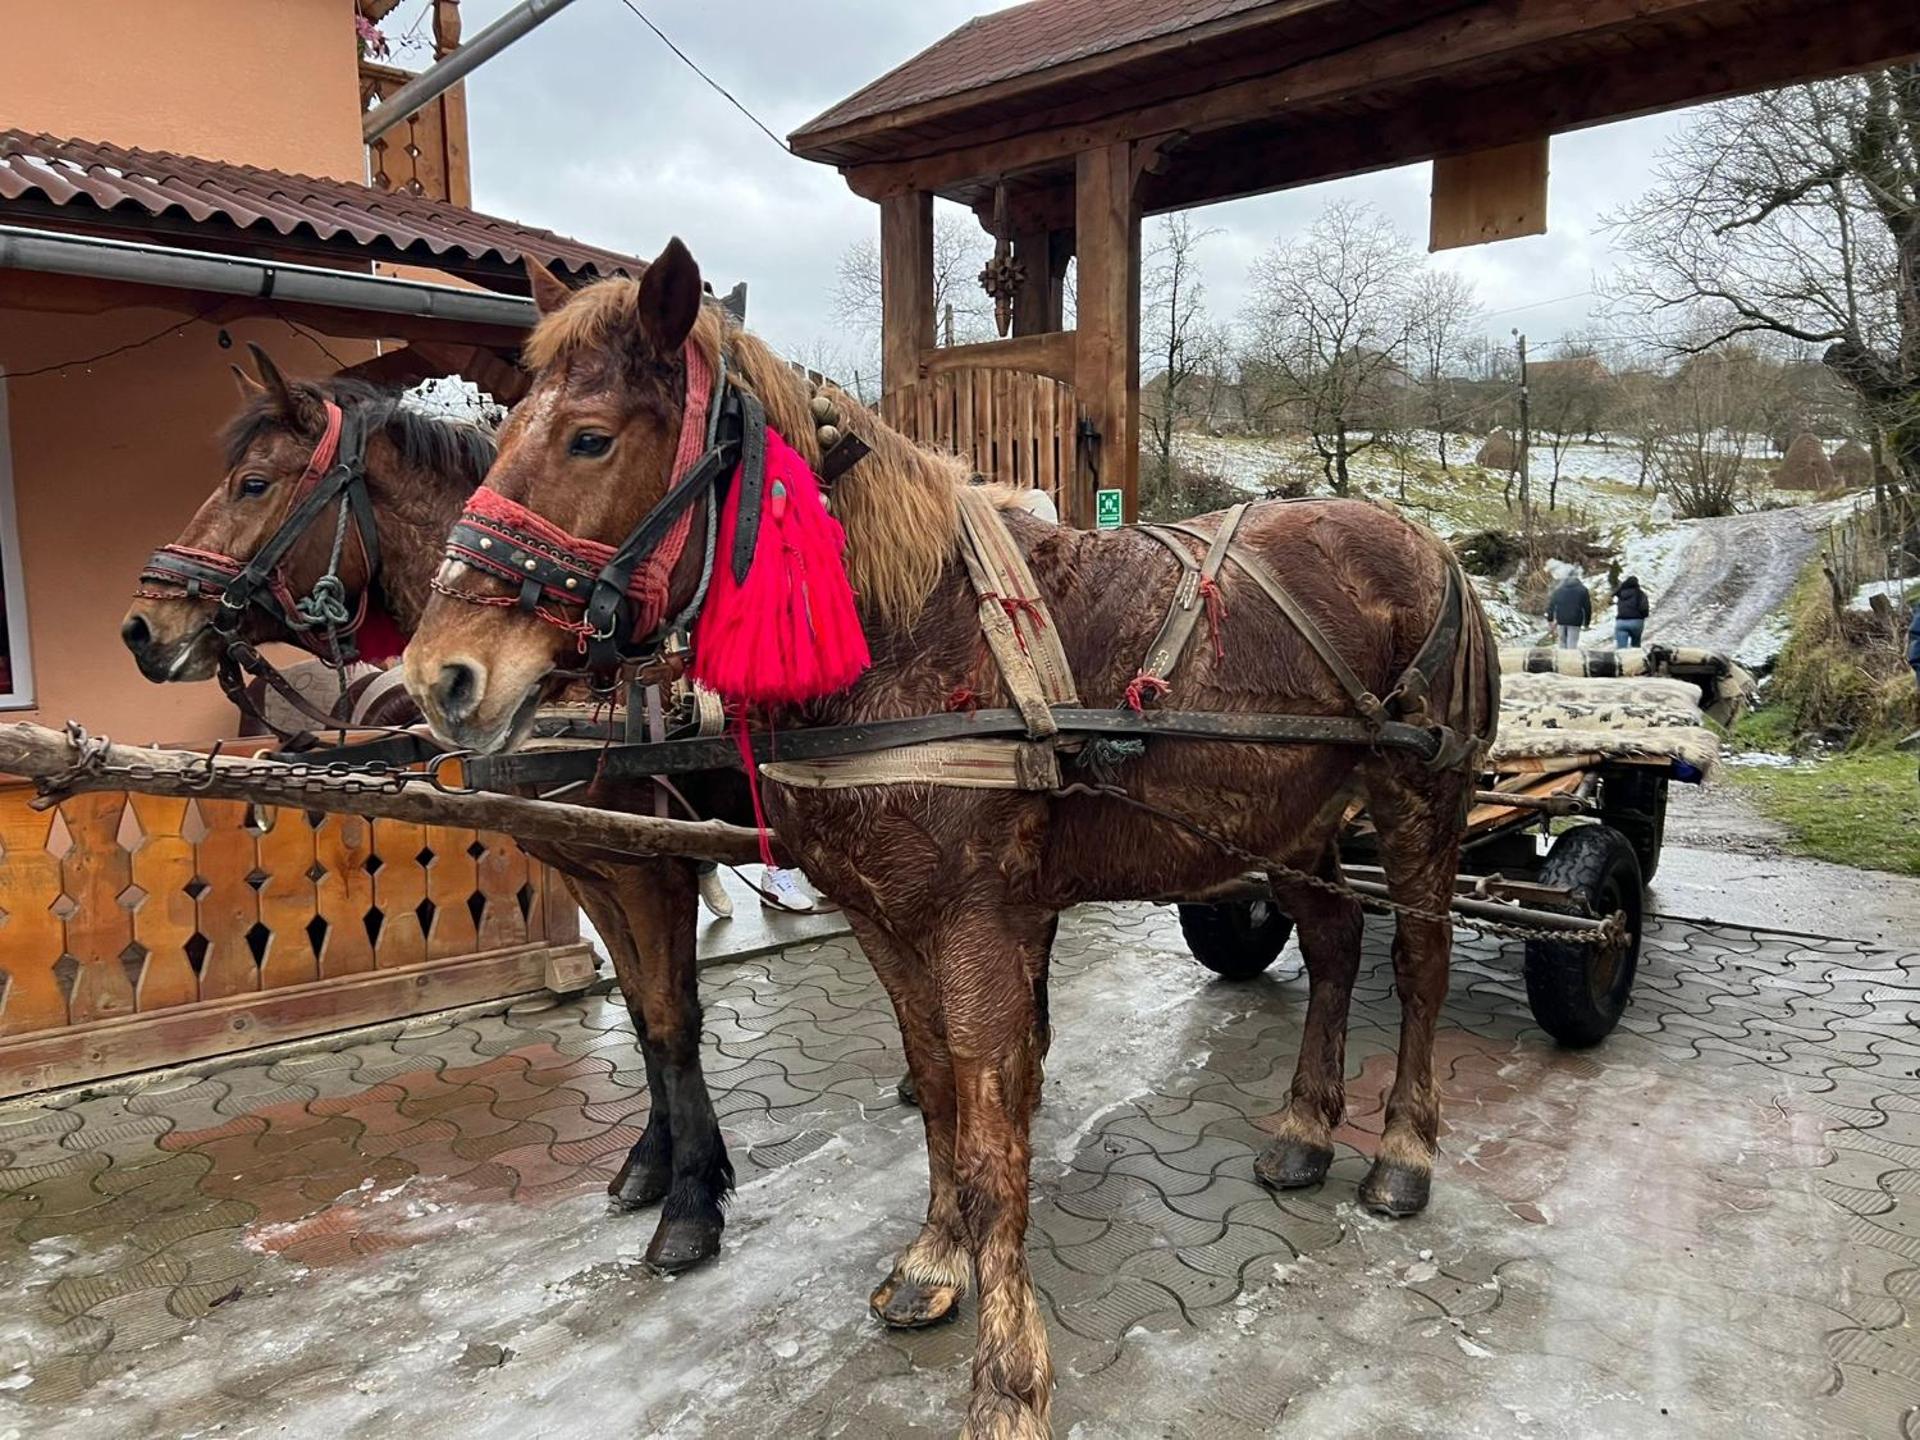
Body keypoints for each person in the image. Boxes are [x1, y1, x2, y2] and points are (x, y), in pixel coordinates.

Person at [1545, 573, 1593, 650]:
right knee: (1572, 643)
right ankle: (1570, 660)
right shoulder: (1583, 590)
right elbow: (1587, 607)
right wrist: (1587, 622)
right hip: (1575, 620)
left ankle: (1562, 659)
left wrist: (1550, 619)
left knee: (1562, 642)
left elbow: (1551, 605)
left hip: (1561, 620)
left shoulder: (1558, 590)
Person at [1613, 575, 1651, 649]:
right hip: (1636, 622)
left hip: (1621, 622)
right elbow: (1644, 608)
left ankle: (1622, 658)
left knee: (1621, 649)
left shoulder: (1621, 594)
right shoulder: (1640, 594)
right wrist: (1643, 616)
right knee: (1635, 646)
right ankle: (1635, 658)